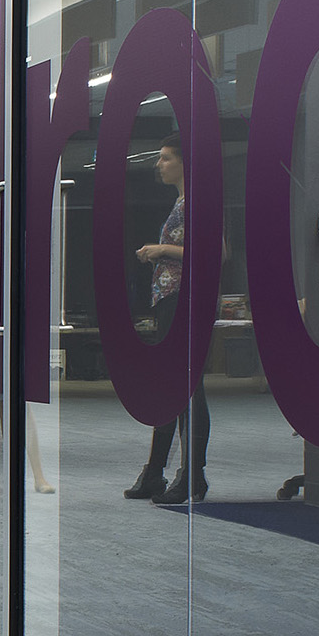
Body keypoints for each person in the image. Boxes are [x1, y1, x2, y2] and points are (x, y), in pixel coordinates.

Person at [127, 136, 211, 507]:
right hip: (169, 301)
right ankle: (156, 470)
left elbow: (215, 251)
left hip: (183, 300)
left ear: (183, 162)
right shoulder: (181, 202)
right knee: (170, 386)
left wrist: (160, 250)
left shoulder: (199, 202)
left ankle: (192, 474)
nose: (159, 164)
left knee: (188, 388)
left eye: (165, 158)